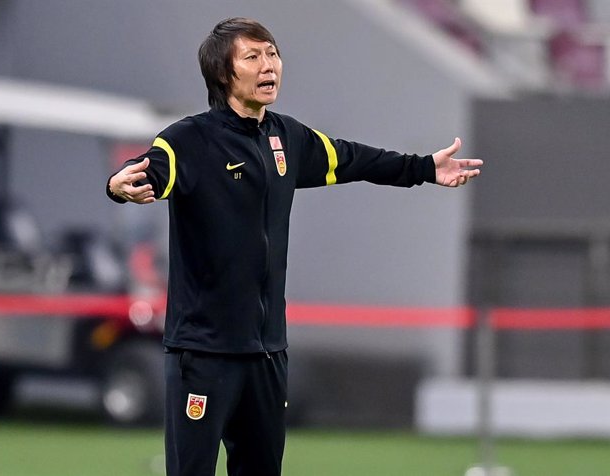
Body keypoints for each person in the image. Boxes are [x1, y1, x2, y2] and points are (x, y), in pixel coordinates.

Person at [107, 17, 482, 476]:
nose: (269, 66)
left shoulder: (287, 137)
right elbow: (151, 166)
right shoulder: (190, 139)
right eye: (253, 57)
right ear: (224, 75)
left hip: (267, 354)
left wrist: (424, 167)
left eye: (273, 54)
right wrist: (120, 183)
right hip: (202, 354)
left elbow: (353, 158)